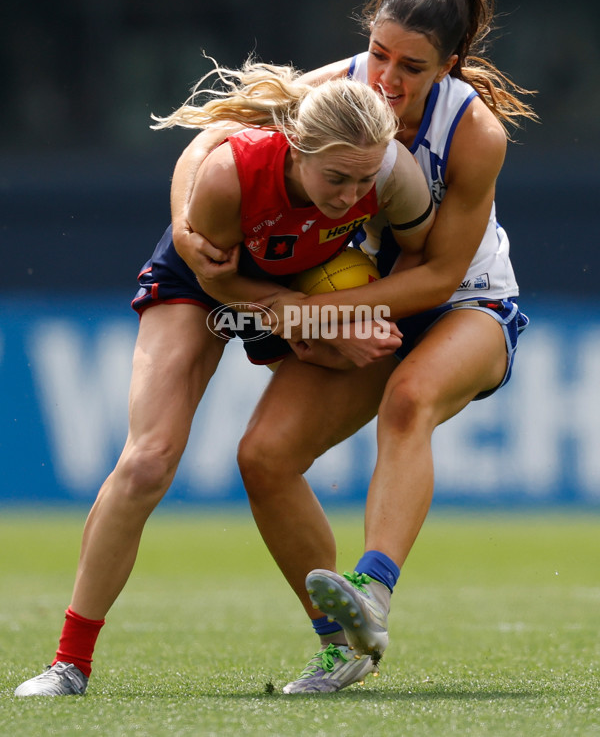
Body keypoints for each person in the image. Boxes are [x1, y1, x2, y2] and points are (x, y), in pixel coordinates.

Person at [174, 0, 537, 693]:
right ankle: (342, 645)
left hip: (467, 304)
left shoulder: (475, 135)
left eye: (413, 68)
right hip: (365, 301)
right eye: (378, 54)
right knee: (263, 457)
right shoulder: (332, 91)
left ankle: (372, 589)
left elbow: (438, 276)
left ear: (449, 66)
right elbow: (211, 141)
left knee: (409, 400)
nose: (386, 80)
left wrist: (311, 312)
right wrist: (184, 226)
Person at [14, 61, 436, 697]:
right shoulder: (232, 175)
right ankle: (68, 664)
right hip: (212, 284)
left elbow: (422, 260)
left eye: (363, 178)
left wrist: (348, 315)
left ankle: (339, 649)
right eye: (335, 177)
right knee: (148, 462)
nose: (351, 195)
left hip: (303, 290)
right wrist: (314, 320)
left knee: (267, 457)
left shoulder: (394, 176)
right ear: (298, 148)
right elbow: (218, 281)